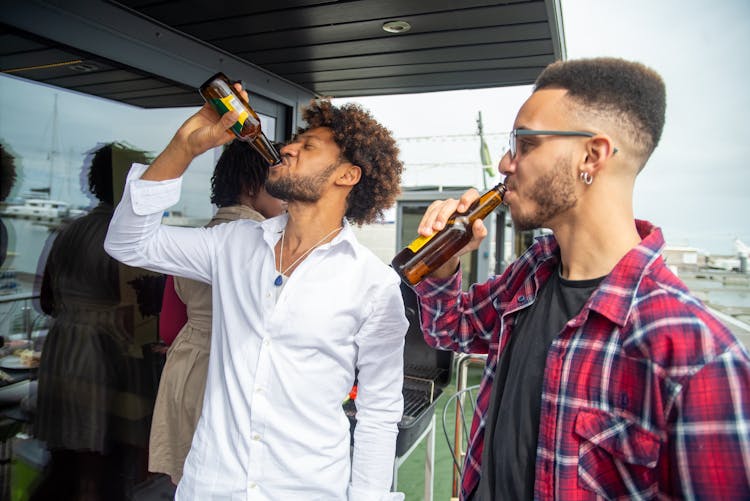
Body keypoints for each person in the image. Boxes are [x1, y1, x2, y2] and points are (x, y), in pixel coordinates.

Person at [411, 57, 750, 500]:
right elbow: (448, 328)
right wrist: (443, 265)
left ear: (592, 156)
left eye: (524, 143)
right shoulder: (532, 274)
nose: (506, 164)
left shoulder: (695, 353)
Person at [104, 91, 408, 500]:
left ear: (347, 175)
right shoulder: (231, 244)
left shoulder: (374, 284)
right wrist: (184, 147)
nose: (287, 148)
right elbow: (127, 243)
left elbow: (379, 414)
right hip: (211, 487)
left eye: (308, 146)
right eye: (293, 141)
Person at [149, 140, 287, 485]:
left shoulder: (195, 240)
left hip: (186, 369)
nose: (287, 200)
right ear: (251, 186)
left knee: (190, 481)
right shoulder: (270, 244)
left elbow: (169, 328)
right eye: (280, 187)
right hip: (236, 375)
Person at [32, 142, 157, 501]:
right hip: (102, 356)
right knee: (96, 467)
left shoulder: (70, 230)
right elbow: (140, 311)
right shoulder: (127, 235)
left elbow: (47, 301)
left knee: (65, 459)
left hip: (61, 350)